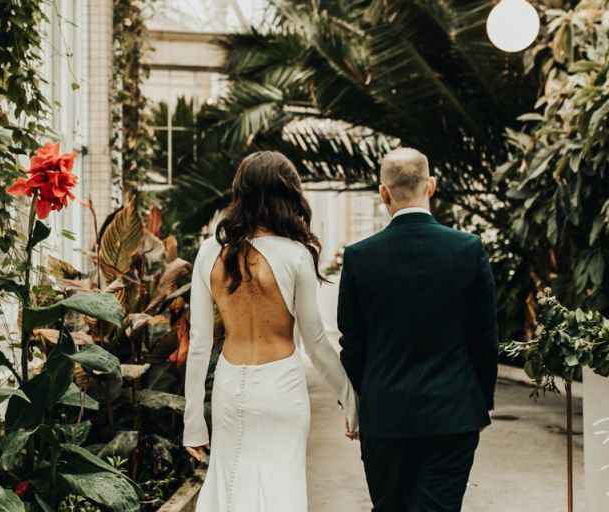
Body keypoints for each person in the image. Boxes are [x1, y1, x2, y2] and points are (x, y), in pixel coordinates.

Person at [183, 150, 359, 512]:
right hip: (283, 388)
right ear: (288, 194)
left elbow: (200, 344)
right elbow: (316, 344)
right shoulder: (295, 254)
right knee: (281, 488)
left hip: (231, 386)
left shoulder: (208, 253)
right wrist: (351, 399)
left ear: (240, 193)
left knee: (230, 487)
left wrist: (192, 422)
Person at [338, 147, 498, 512]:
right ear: (432, 186)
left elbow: (353, 345)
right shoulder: (468, 249)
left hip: (384, 417)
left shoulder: (360, 257)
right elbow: (485, 338)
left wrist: (358, 404)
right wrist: (481, 402)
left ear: (383, 193)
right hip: (453, 415)